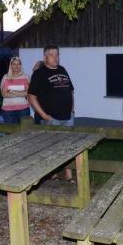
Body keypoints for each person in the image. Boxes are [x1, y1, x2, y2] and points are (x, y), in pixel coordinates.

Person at [27, 45, 75, 182]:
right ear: (45, 57)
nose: (55, 57)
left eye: (57, 54)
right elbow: (31, 96)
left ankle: (68, 175)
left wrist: (72, 109)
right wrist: (43, 115)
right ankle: (52, 174)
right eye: (52, 54)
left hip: (67, 117)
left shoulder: (62, 69)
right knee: (51, 147)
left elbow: (71, 91)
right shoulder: (39, 73)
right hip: (51, 118)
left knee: (68, 147)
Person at [0, 57, 31, 125]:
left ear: (21, 65)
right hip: (8, 110)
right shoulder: (5, 77)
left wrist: (13, 91)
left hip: (23, 109)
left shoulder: (26, 77)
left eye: (18, 64)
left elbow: (28, 93)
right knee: (10, 133)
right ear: (11, 65)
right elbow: (4, 94)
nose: (16, 66)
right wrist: (22, 93)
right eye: (14, 64)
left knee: (24, 133)